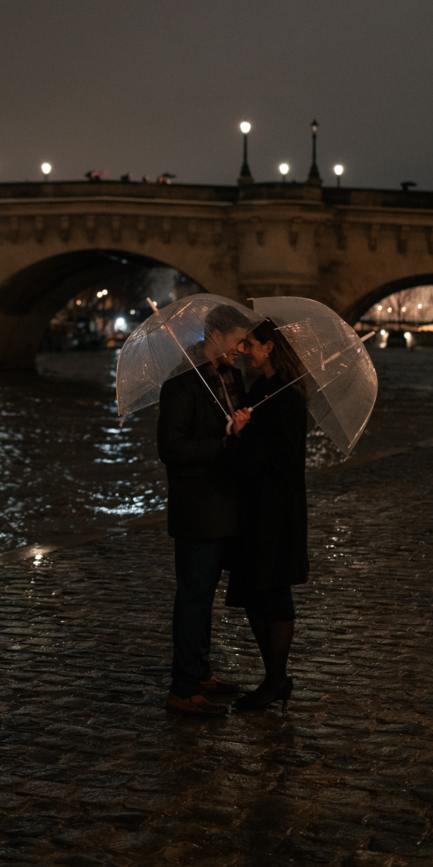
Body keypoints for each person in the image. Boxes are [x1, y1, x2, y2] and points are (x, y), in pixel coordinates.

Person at [156, 303, 251, 717]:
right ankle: (183, 687)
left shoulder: (230, 378)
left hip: (224, 504)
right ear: (216, 337)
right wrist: (224, 443)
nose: (242, 349)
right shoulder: (181, 384)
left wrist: (242, 425)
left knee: (205, 595)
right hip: (197, 508)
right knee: (193, 597)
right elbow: (171, 449)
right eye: (238, 341)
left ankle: (200, 671)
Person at [225, 317, 309, 713]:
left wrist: (244, 437)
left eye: (250, 344)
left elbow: (284, 458)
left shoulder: (289, 396)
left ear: (270, 347)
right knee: (255, 591)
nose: (243, 351)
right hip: (255, 506)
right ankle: (274, 677)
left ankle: (275, 680)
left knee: (274, 592)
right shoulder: (260, 389)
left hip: (277, 510)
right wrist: (239, 431)